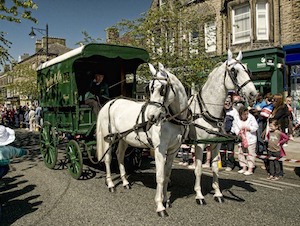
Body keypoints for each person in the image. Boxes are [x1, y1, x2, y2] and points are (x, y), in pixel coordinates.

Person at [232, 105, 258, 175]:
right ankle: (243, 167)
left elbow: (256, 127)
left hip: (250, 138)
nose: (246, 115)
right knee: (241, 153)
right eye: (244, 114)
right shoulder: (236, 118)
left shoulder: (251, 117)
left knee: (250, 154)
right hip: (241, 138)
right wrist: (239, 132)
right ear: (241, 114)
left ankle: (250, 169)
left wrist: (248, 128)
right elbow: (235, 127)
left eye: (247, 114)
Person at [220, 96, 239, 171]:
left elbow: (236, 123)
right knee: (221, 150)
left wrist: (232, 132)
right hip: (221, 133)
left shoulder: (234, 111)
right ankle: (223, 163)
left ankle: (230, 165)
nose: (227, 103)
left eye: (229, 102)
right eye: (225, 102)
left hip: (230, 133)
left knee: (230, 150)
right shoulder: (221, 111)